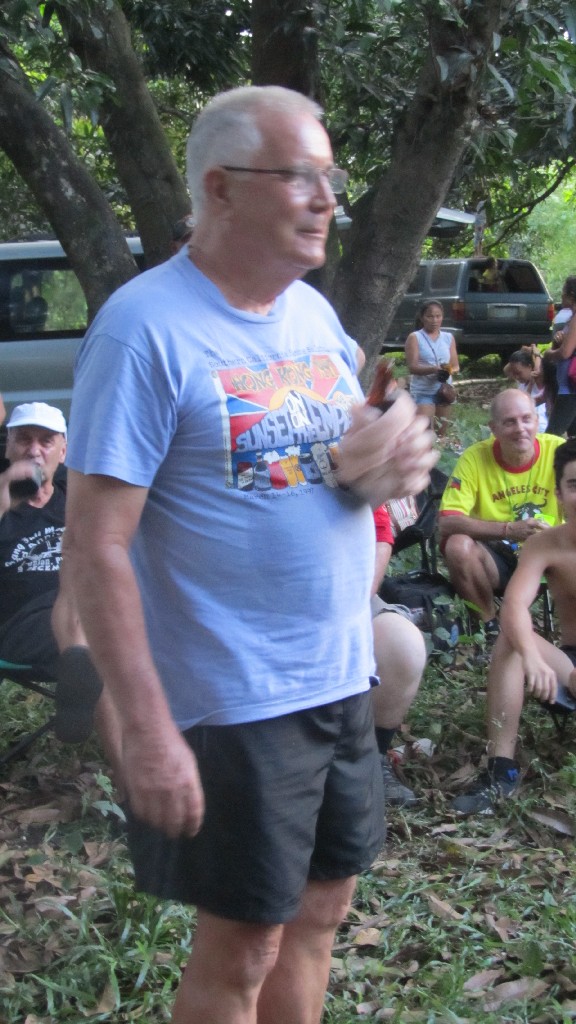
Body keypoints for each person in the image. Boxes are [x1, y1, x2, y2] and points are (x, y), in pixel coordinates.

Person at [63, 85, 436, 1024]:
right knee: (243, 947)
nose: (327, 200)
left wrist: (390, 459)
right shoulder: (143, 330)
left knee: (322, 911)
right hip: (232, 696)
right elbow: (96, 545)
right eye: (301, 177)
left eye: (331, 178)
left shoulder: (309, 315)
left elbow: (344, 460)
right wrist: (147, 727)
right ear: (221, 188)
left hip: (338, 672)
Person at [451, 438, 576, 814]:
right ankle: (500, 771)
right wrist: (530, 655)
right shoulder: (545, 545)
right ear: (558, 495)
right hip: (570, 667)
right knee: (511, 636)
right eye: (574, 485)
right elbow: (515, 606)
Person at [0, 402, 110, 747]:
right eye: (24, 439)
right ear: (8, 446)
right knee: (104, 639)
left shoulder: (77, 501)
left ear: (63, 452)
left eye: (46, 441)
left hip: (90, 618)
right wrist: (5, 493)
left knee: (102, 630)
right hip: (20, 628)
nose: (34, 450)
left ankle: (80, 678)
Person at [438, 389, 564, 639]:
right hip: (496, 558)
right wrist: (508, 530)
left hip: (550, 554)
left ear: (537, 421)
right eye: (509, 422)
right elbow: (447, 522)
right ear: (493, 428)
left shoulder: (559, 452)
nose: (520, 429)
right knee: (457, 545)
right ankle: (490, 627)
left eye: (526, 419)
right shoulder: (474, 458)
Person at [371, 505, 426, 807]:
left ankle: (373, 756)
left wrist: (358, 597)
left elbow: (380, 531)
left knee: (403, 643)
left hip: (341, 589)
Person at [405, 300, 460, 437]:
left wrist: (447, 370)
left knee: (441, 434)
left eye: (438, 316)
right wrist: (433, 369)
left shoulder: (448, 337)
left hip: (444, 391)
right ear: (422, 317)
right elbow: (412, 367)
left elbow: (456, 366)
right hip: (424, 391)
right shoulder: (415, 337)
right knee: (424, 434)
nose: (434, 320)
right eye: (430, 316)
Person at [544, 276, 576, 437]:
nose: (561, 296)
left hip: (570, 388)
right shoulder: (570, 319)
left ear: (571, 295)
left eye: (564, 292)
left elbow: (565, 353)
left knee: (551, 436)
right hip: (569, 386)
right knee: (573, 436)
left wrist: (548, 354)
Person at [504, 348, 548, 433]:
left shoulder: (537, 380)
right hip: (525, 427)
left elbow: (537, 369)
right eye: (514, 374)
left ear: (529, 367)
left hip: (540, 427)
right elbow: (506, 370)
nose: (516, 376)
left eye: (518, 373)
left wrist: (536, 354)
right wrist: (522, 352)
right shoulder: (521, 382)